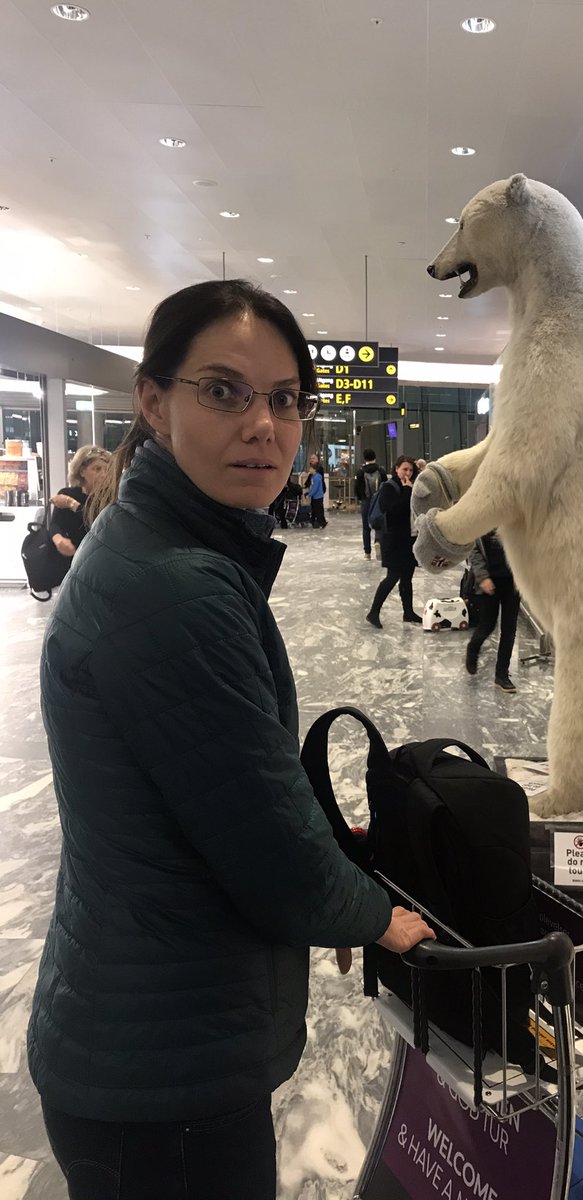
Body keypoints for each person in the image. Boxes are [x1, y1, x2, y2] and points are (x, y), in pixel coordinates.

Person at [29, 279, 434, 1200]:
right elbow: (268, 844)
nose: (263, 424)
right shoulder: (178, 586)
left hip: (132, 1024)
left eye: (285, 399)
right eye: (223, 391)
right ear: (153, 399)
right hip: (163, 1070)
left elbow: (217, 785)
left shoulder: (151, 538)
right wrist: (375, 914)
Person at [366, 455, 422, 628]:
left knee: (407, 577)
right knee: (392, 577)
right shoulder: (390, 488)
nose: (408, 473)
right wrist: (406, 491)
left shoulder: (412, 486)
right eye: (405, 469)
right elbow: (393, 512)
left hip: (409, 539)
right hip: (394, 540)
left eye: (411, 470)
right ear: (396, 469)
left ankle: (408, 612)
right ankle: (373, 612)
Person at [465, 530, 521, 693]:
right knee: (487, 625)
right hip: (488, 583)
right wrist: (483, 578)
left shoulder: (514, 520)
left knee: (509, 629)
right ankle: (473, 648)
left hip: (513, 583)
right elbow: (472, 550)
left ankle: (502, 674)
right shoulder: (482, 521)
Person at [47, 444, 110, 561]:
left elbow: (96, 522)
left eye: (106, 470)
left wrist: (72, 504)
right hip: (68, 560)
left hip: (97, 560)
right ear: (82, 471)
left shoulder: (109, 498)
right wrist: (58, 540)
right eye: (97, 469)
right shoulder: (67, 493)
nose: (103, 475)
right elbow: (55, 525)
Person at [354, 448, 387, 559]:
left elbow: (357, 487)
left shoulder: (361, 472)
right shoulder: (381, 470)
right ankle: (378, 542)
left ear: (365, 458)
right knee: (379, 524)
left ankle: (367, 553)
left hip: (366, 501)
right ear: (375, 457)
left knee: (365, 527)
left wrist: (360, 498)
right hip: (379, 501)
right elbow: (386, 485)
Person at [305, 458, 326, 528]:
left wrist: (309, 494)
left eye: (310, 468)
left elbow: (315, 488)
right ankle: (315, 521)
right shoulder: (313, 477)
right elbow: (312, 487)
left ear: (314, 469)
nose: (309, 470)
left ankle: (321, 523)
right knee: (315, 509)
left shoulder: (316, 478)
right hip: (315, 496)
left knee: (318, 510)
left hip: (318, 497)